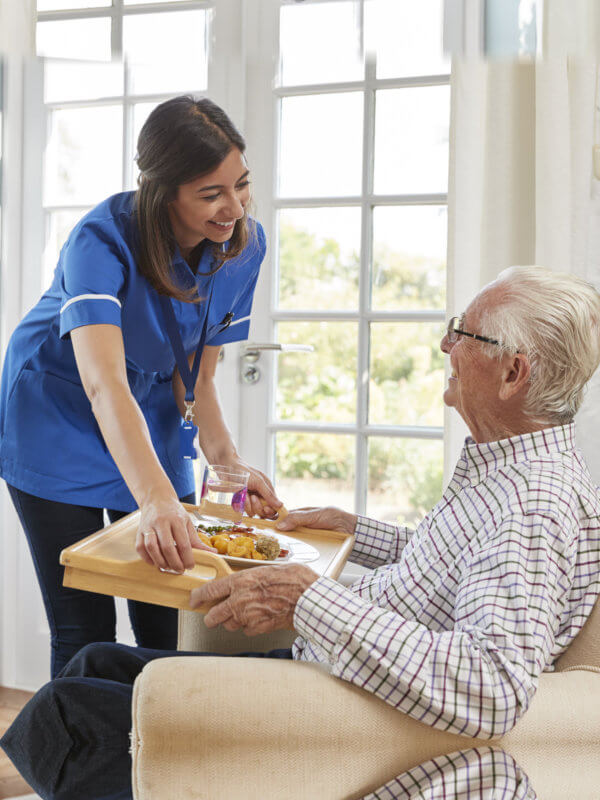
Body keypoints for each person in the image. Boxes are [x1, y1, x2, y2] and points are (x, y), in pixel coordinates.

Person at [2, 266, 600, 800]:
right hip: (331, 668)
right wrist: (354, 530)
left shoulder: (532, 506)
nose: (445, 343)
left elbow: (492, 687)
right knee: (93, 662)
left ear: (513, 373)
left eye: (463, 334)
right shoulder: (510, 470)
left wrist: (307, 598)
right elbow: (455, 570)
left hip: (339, 702)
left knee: (64, 715)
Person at [0, 95, 281, 678]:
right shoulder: (100, 240)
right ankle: (79, 767)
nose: (233, 207)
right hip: (58, 409)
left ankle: (150, 760)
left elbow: (198, 374)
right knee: (83, 624)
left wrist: (228, 464)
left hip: (150, 404)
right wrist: (154, 498)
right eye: (211, 194)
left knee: (167, 606)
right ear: (163, 191)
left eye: (242, 184)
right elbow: (102, 385)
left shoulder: (242, 246)